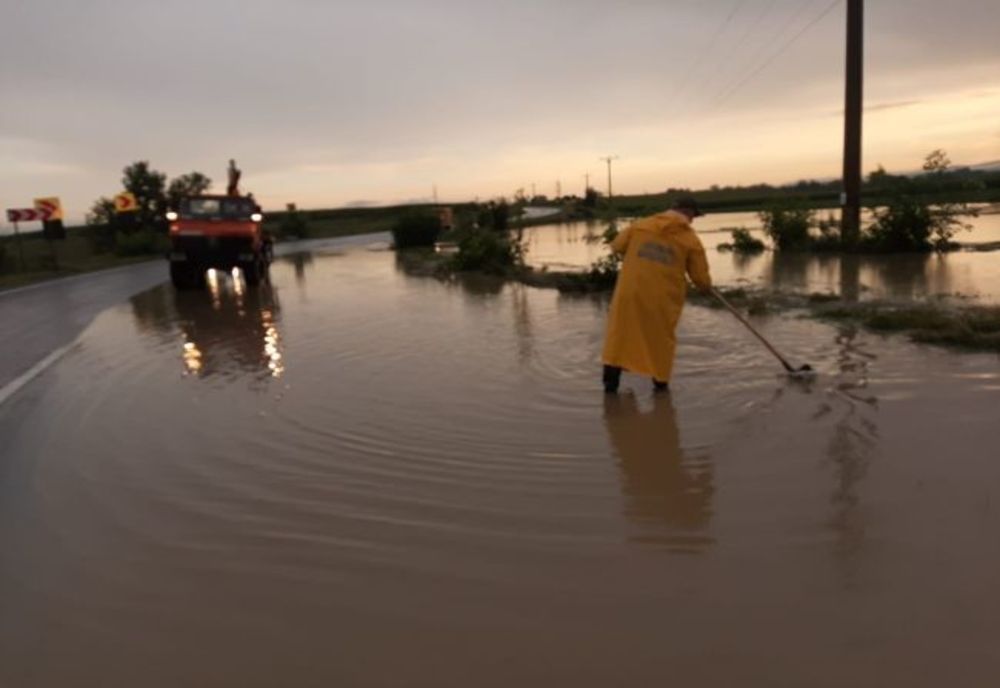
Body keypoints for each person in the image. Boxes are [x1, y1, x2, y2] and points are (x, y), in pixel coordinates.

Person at [601, 196, 712, 394]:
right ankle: (660, 386)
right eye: (694, 216)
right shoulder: (691, 240)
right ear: (689, 214)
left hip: (630, 293)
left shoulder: (640, 226)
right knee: (660, 339)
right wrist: (707, 287)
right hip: (662, 300)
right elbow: (700, 279)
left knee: (620, 334)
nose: (693, 221)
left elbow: (617, 246)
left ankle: (610, 387)